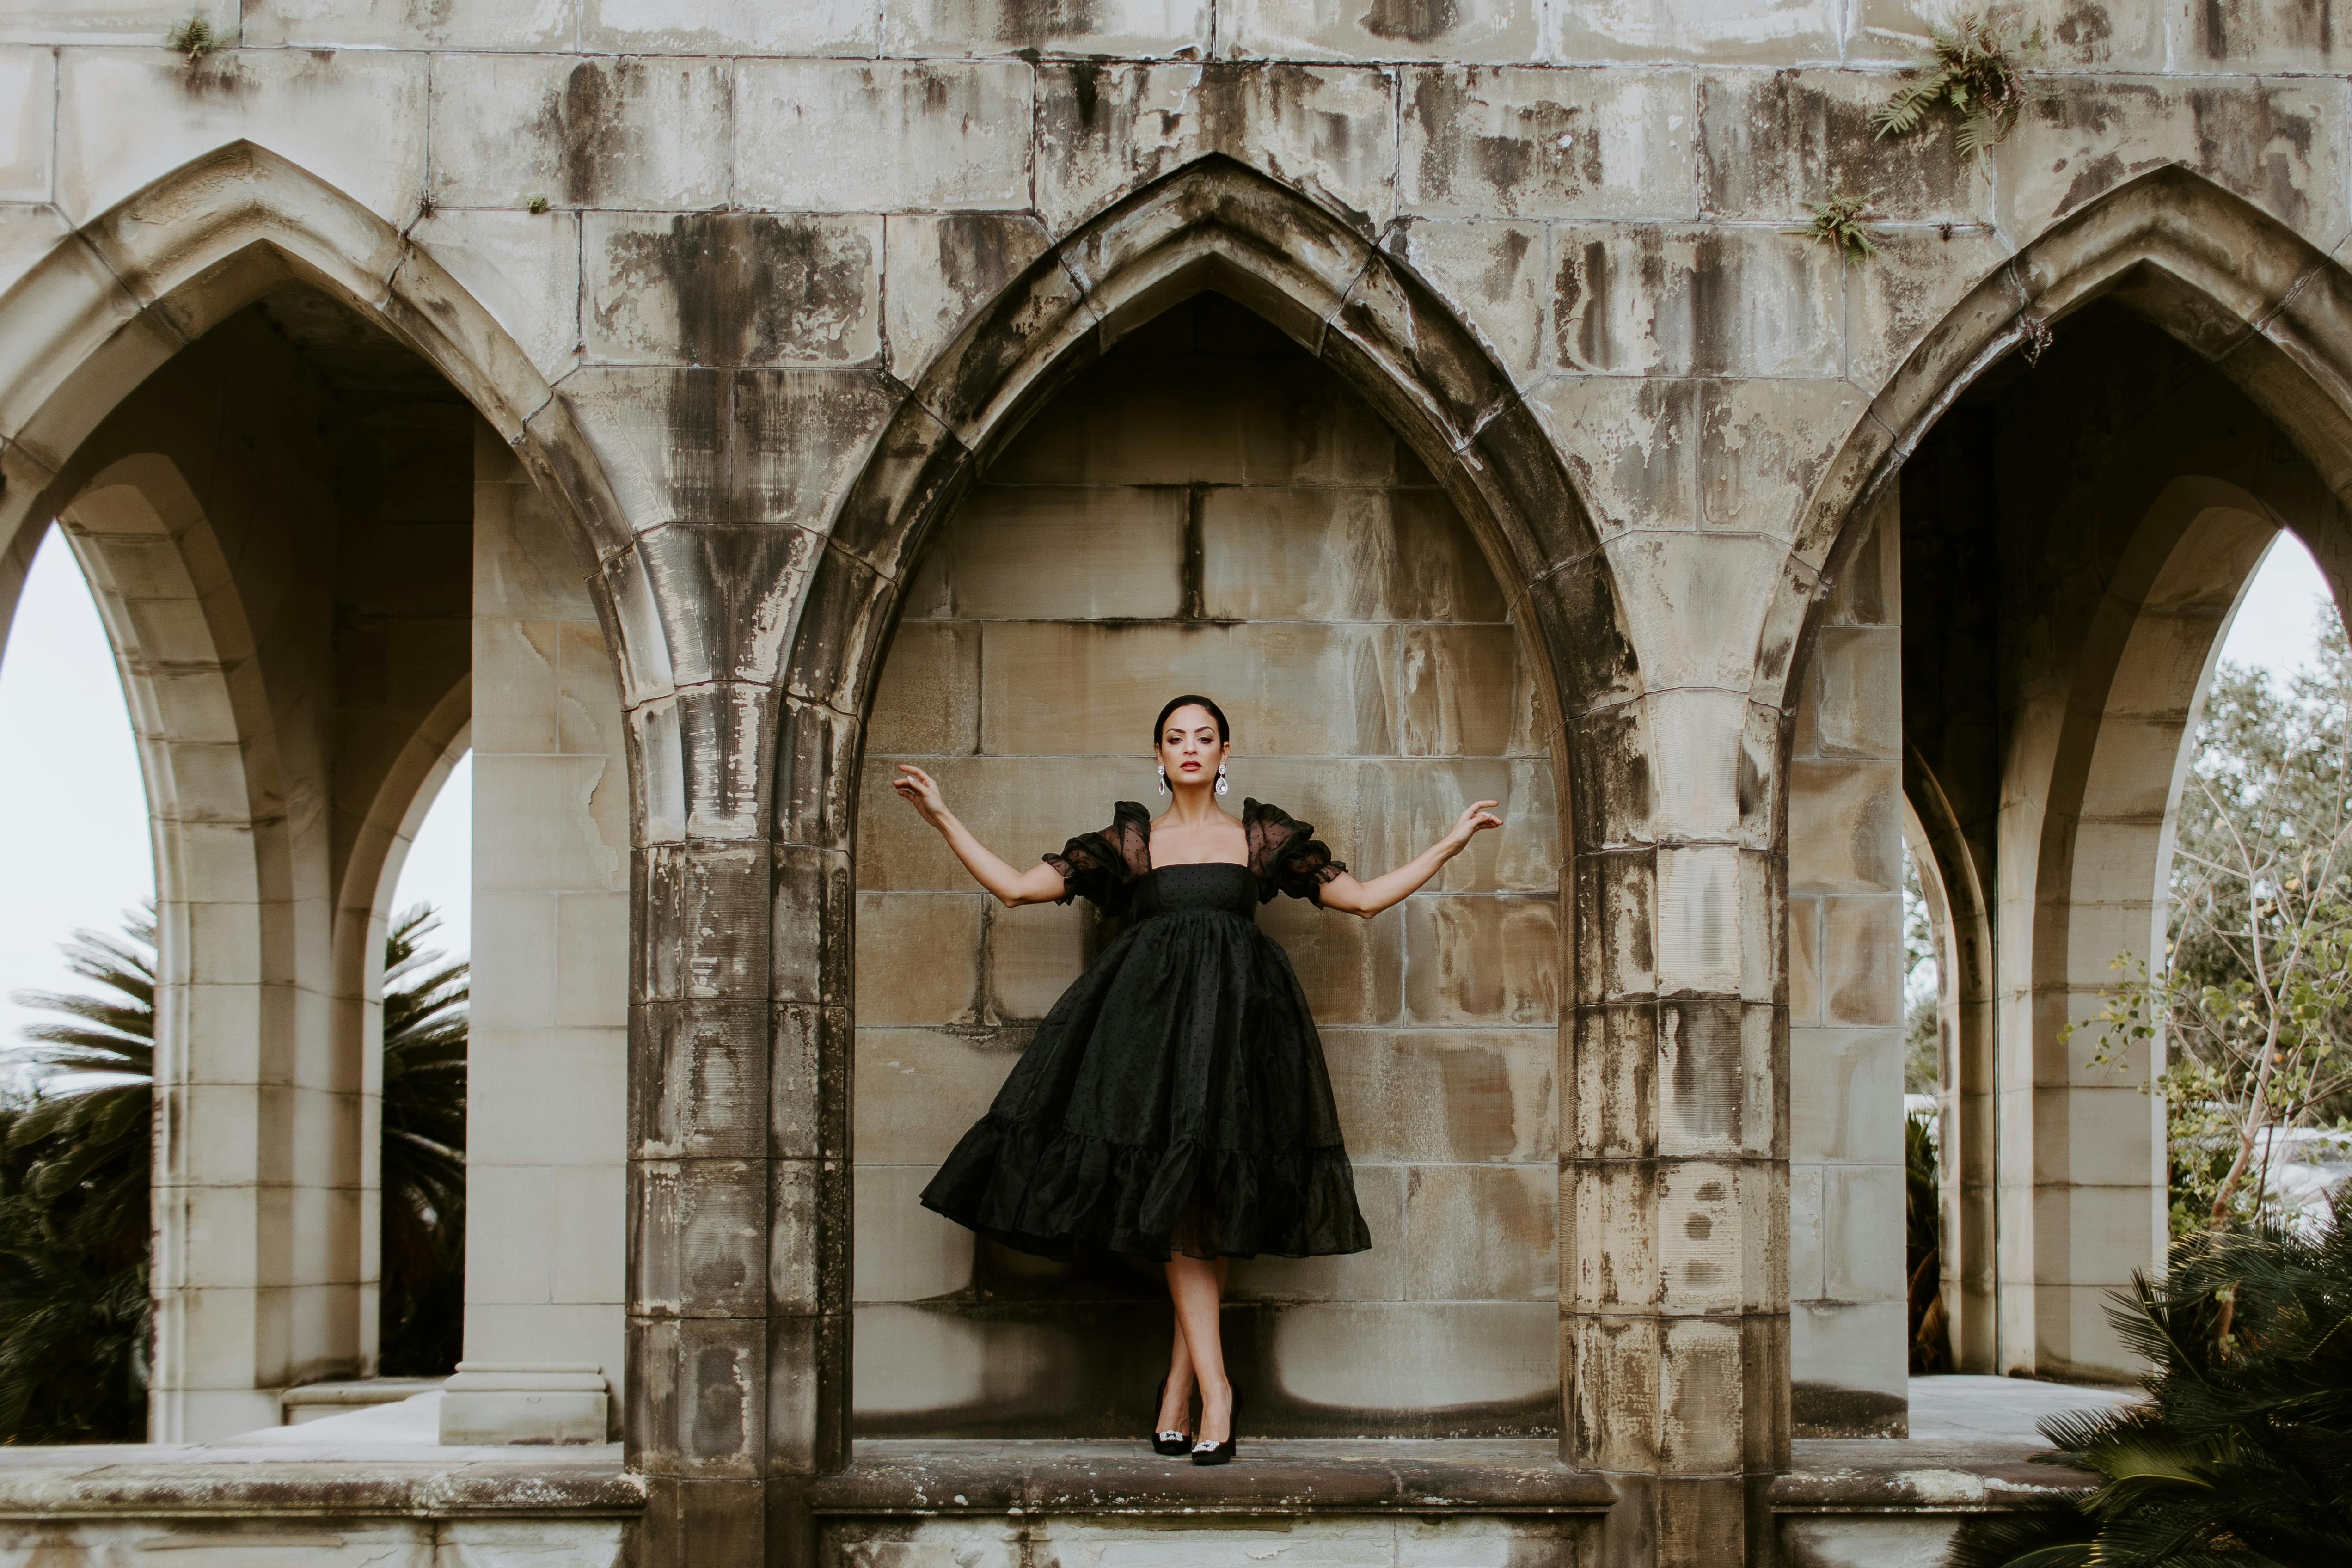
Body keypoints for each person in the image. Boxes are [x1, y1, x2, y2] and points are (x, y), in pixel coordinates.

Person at [893, 694, 1502, 1464]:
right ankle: (1216, 1390)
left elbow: (1362, 899)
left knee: (1200, 1204)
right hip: (1147, 1045)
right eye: (1176, 737)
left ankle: (1181, 1390)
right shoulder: (1130, 843)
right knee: (1185, 1201)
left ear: (1224, 754)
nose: (1190, 748)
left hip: (1242, 1043)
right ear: (1158, 754)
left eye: (1204, 737)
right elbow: (1016, 889)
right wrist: (943, 817)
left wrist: (1447, 844)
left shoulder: (1261, 841)